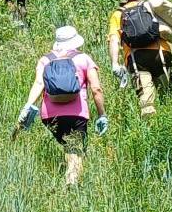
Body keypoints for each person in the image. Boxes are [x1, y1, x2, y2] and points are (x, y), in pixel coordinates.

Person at [14, 25, 108, 186]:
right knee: (75, 150)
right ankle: (71, 186)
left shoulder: (45, 60)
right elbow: (96, 89)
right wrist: (102, 115)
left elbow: (39, 84)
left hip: (50, 116)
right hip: (77, 114)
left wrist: (28, 105)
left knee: (69, 146)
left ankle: (70, 178)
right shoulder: (84, 59)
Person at [108, 0, 172, 117]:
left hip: (136, 58)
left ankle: (150, 124)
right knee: (167, 96)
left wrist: (115, 63)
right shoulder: (151, 7)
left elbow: (114, 39)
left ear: (125, 0)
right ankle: (170, 118)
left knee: (146, 102)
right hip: (161, 54)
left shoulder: (118, 14)